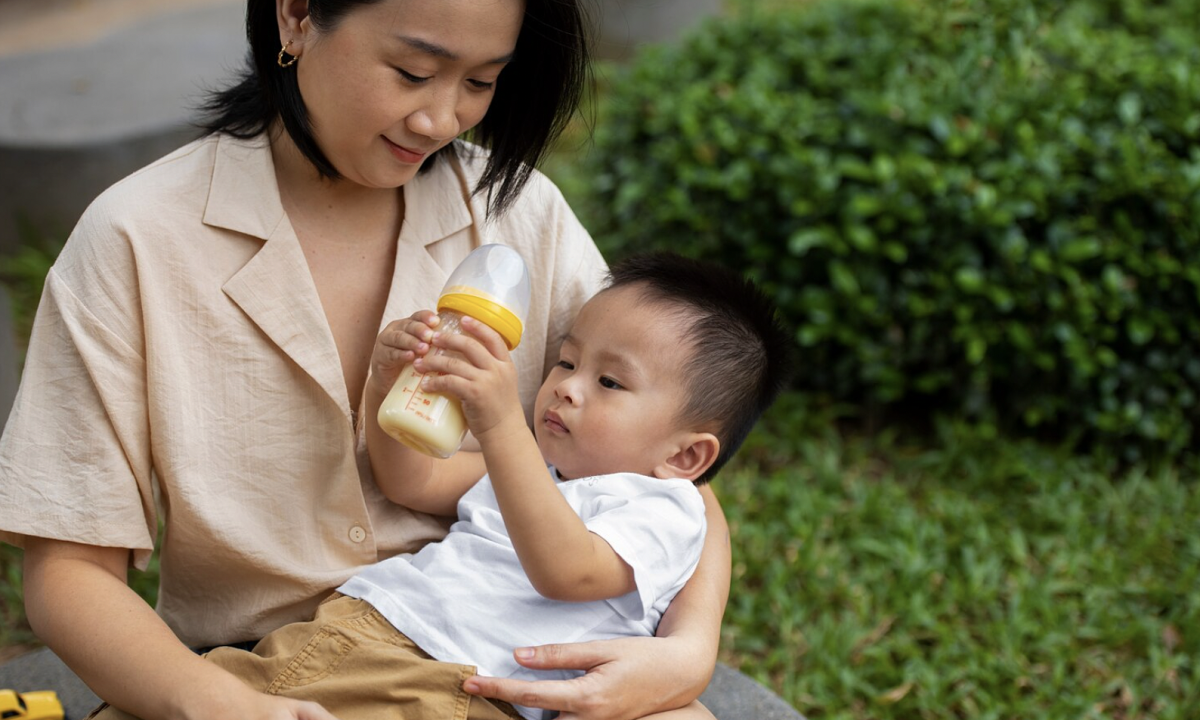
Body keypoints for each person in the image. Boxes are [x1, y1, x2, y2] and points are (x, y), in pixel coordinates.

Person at [0, 1, 734, 719]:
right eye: (414, 72)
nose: (440, 119)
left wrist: (687, 651)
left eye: (480, 82)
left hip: (496, 663)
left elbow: (664, 463)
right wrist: (212, 701)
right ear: (296, 15)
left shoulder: (519, 212)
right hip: (257, 664)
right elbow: (69, 569)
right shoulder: (137, 238)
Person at [85, 252, 794, 720]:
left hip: (455, 686)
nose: (566, 389)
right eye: (566, 362)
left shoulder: (664, 510)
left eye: (608, 382)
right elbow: (411, 477)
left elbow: (568, 569)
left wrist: (499, 426)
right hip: (358, 632)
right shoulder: (528, 472)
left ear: (686, 454)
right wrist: (388, 388)